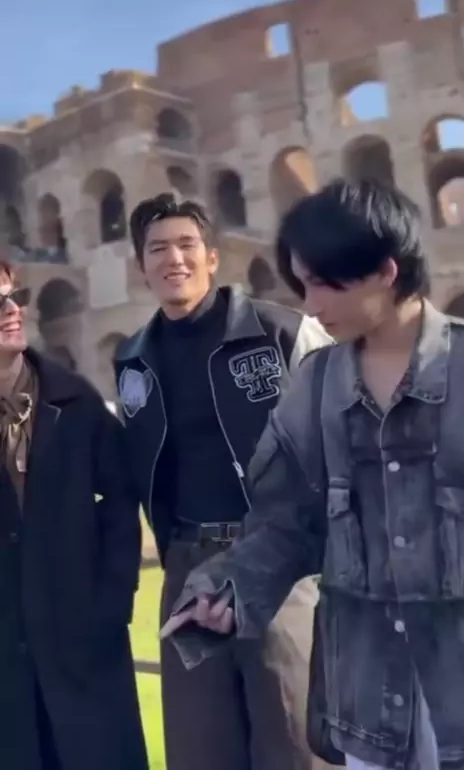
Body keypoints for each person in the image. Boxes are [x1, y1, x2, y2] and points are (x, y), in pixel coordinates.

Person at [162, 177, 464, 770]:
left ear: (385, 271)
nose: (309, 306)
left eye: (322, 284)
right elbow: (286, 521)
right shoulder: (315, 386)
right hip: (369, 705)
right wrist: (230, 588)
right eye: (301, 285)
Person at [114, 193, 333, 770]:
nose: (174, 258)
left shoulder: (284, 331)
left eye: (187, 244)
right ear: (141, 267)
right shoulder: (133, 360)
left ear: (212, 257)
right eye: (158, 248)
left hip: (280, 562)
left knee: (295, 741)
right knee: (201, 747)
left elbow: (346, 437)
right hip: (189, 566)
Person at [0, 260, 148, 770]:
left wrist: (112, 604)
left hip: (84, 642)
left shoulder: (76, 401)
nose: (12, 311)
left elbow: (121, 500)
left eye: (14, 297)